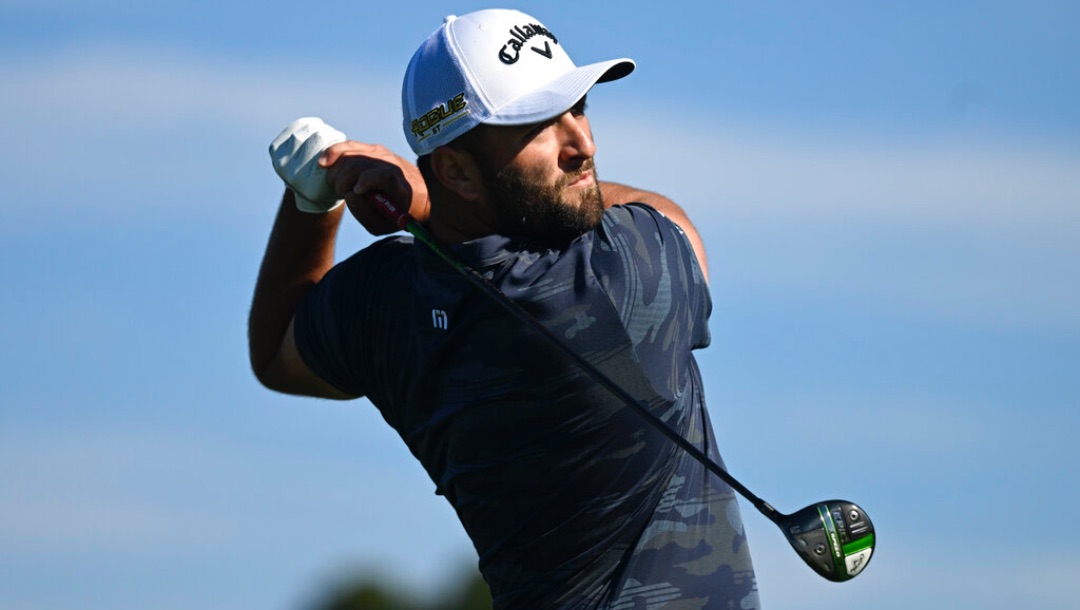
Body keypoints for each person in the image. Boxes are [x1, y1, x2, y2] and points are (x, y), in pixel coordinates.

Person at [249, 8, 760, 609]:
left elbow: (276, 353)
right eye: (540, 127)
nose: (582, 144)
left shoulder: (383, 303)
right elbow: (671, 218)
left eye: (580, 109)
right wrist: (419, 202)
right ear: (457, 171)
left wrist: (312, 199)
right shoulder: (621, 277)